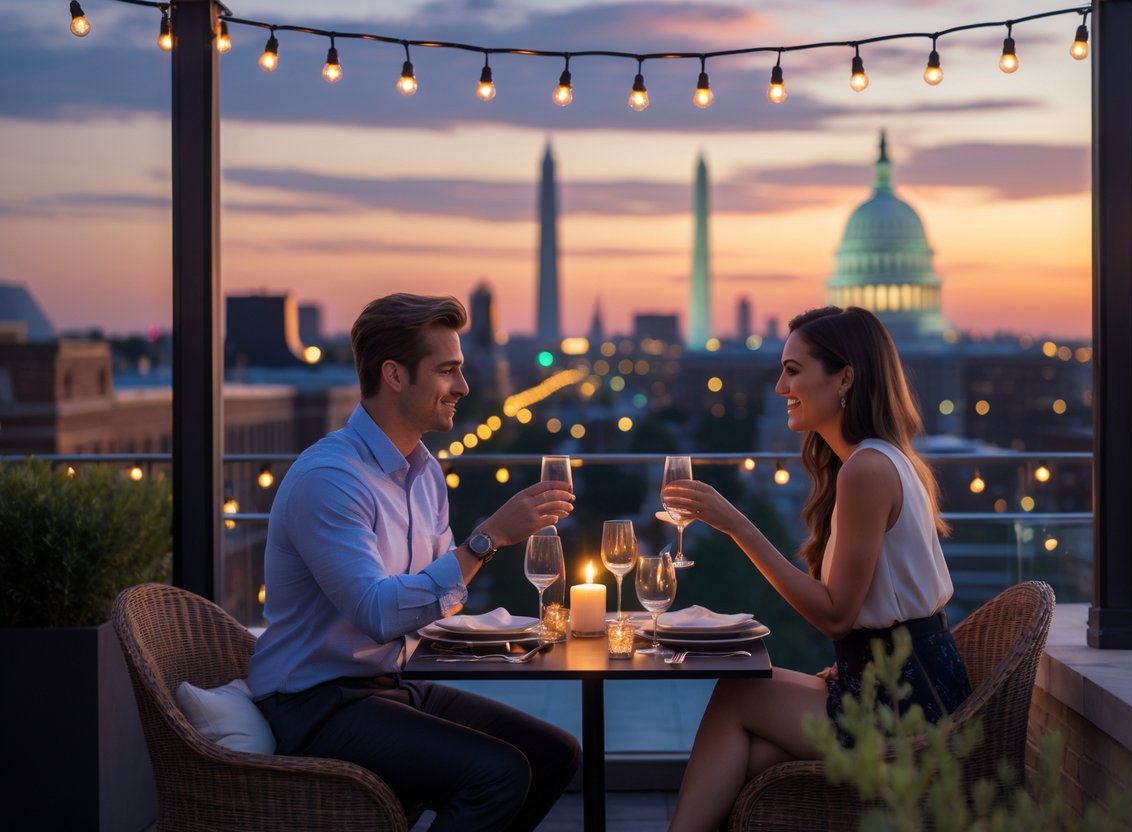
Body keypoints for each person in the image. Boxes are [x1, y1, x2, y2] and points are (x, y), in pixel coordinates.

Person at [248, 293, 581, 832]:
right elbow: (379, 613)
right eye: (447, 371)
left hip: (389, 684)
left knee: (556, 754)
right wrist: (488, 539)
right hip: (313, 703)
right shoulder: (329, 480)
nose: (463, 388)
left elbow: (433, 601)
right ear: (395, 376)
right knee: (496, 773)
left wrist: (506, 634)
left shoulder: (424, 474)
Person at [661, 305, 972, 831]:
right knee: (751, 755)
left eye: (793, 370)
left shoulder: (868, 470)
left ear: (845, 377)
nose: (781, 386)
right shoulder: (878, 460)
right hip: (887, 681)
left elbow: (835, 616)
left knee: (737, 692)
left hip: (906, 706)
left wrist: (738, 526)